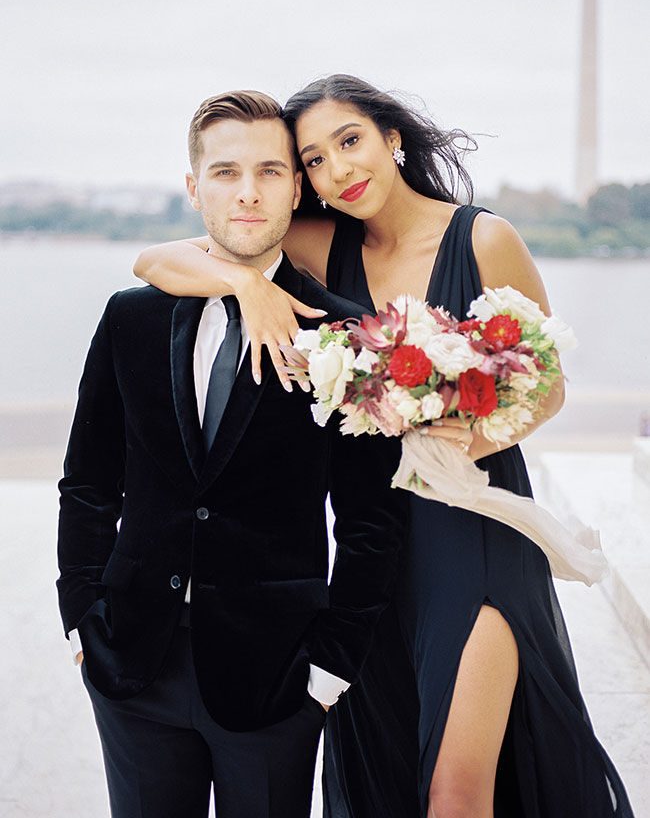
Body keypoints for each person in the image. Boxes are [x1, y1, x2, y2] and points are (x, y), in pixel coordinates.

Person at [133, 75, 635, 818]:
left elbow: (550, 387)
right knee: (386, 777)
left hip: (478, 530)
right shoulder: (318, 243)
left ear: (391, 137)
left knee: (457, 793)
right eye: (313, 161)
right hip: (376, 547)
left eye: (350, 141)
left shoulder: (483, 238)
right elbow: (155, 260)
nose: (337, 170)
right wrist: (248, 288)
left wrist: (478, 433)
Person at [56, 89, 407, 818]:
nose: (247, 192)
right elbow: (89, 483)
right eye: (224, 173)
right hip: (131, 664)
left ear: (296, 187)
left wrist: (329, 668)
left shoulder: (343, 335)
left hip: (277, 677)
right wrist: (81, 619)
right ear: (194, 188)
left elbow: (372, 518)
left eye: (270, 172)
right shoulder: (131, 318)